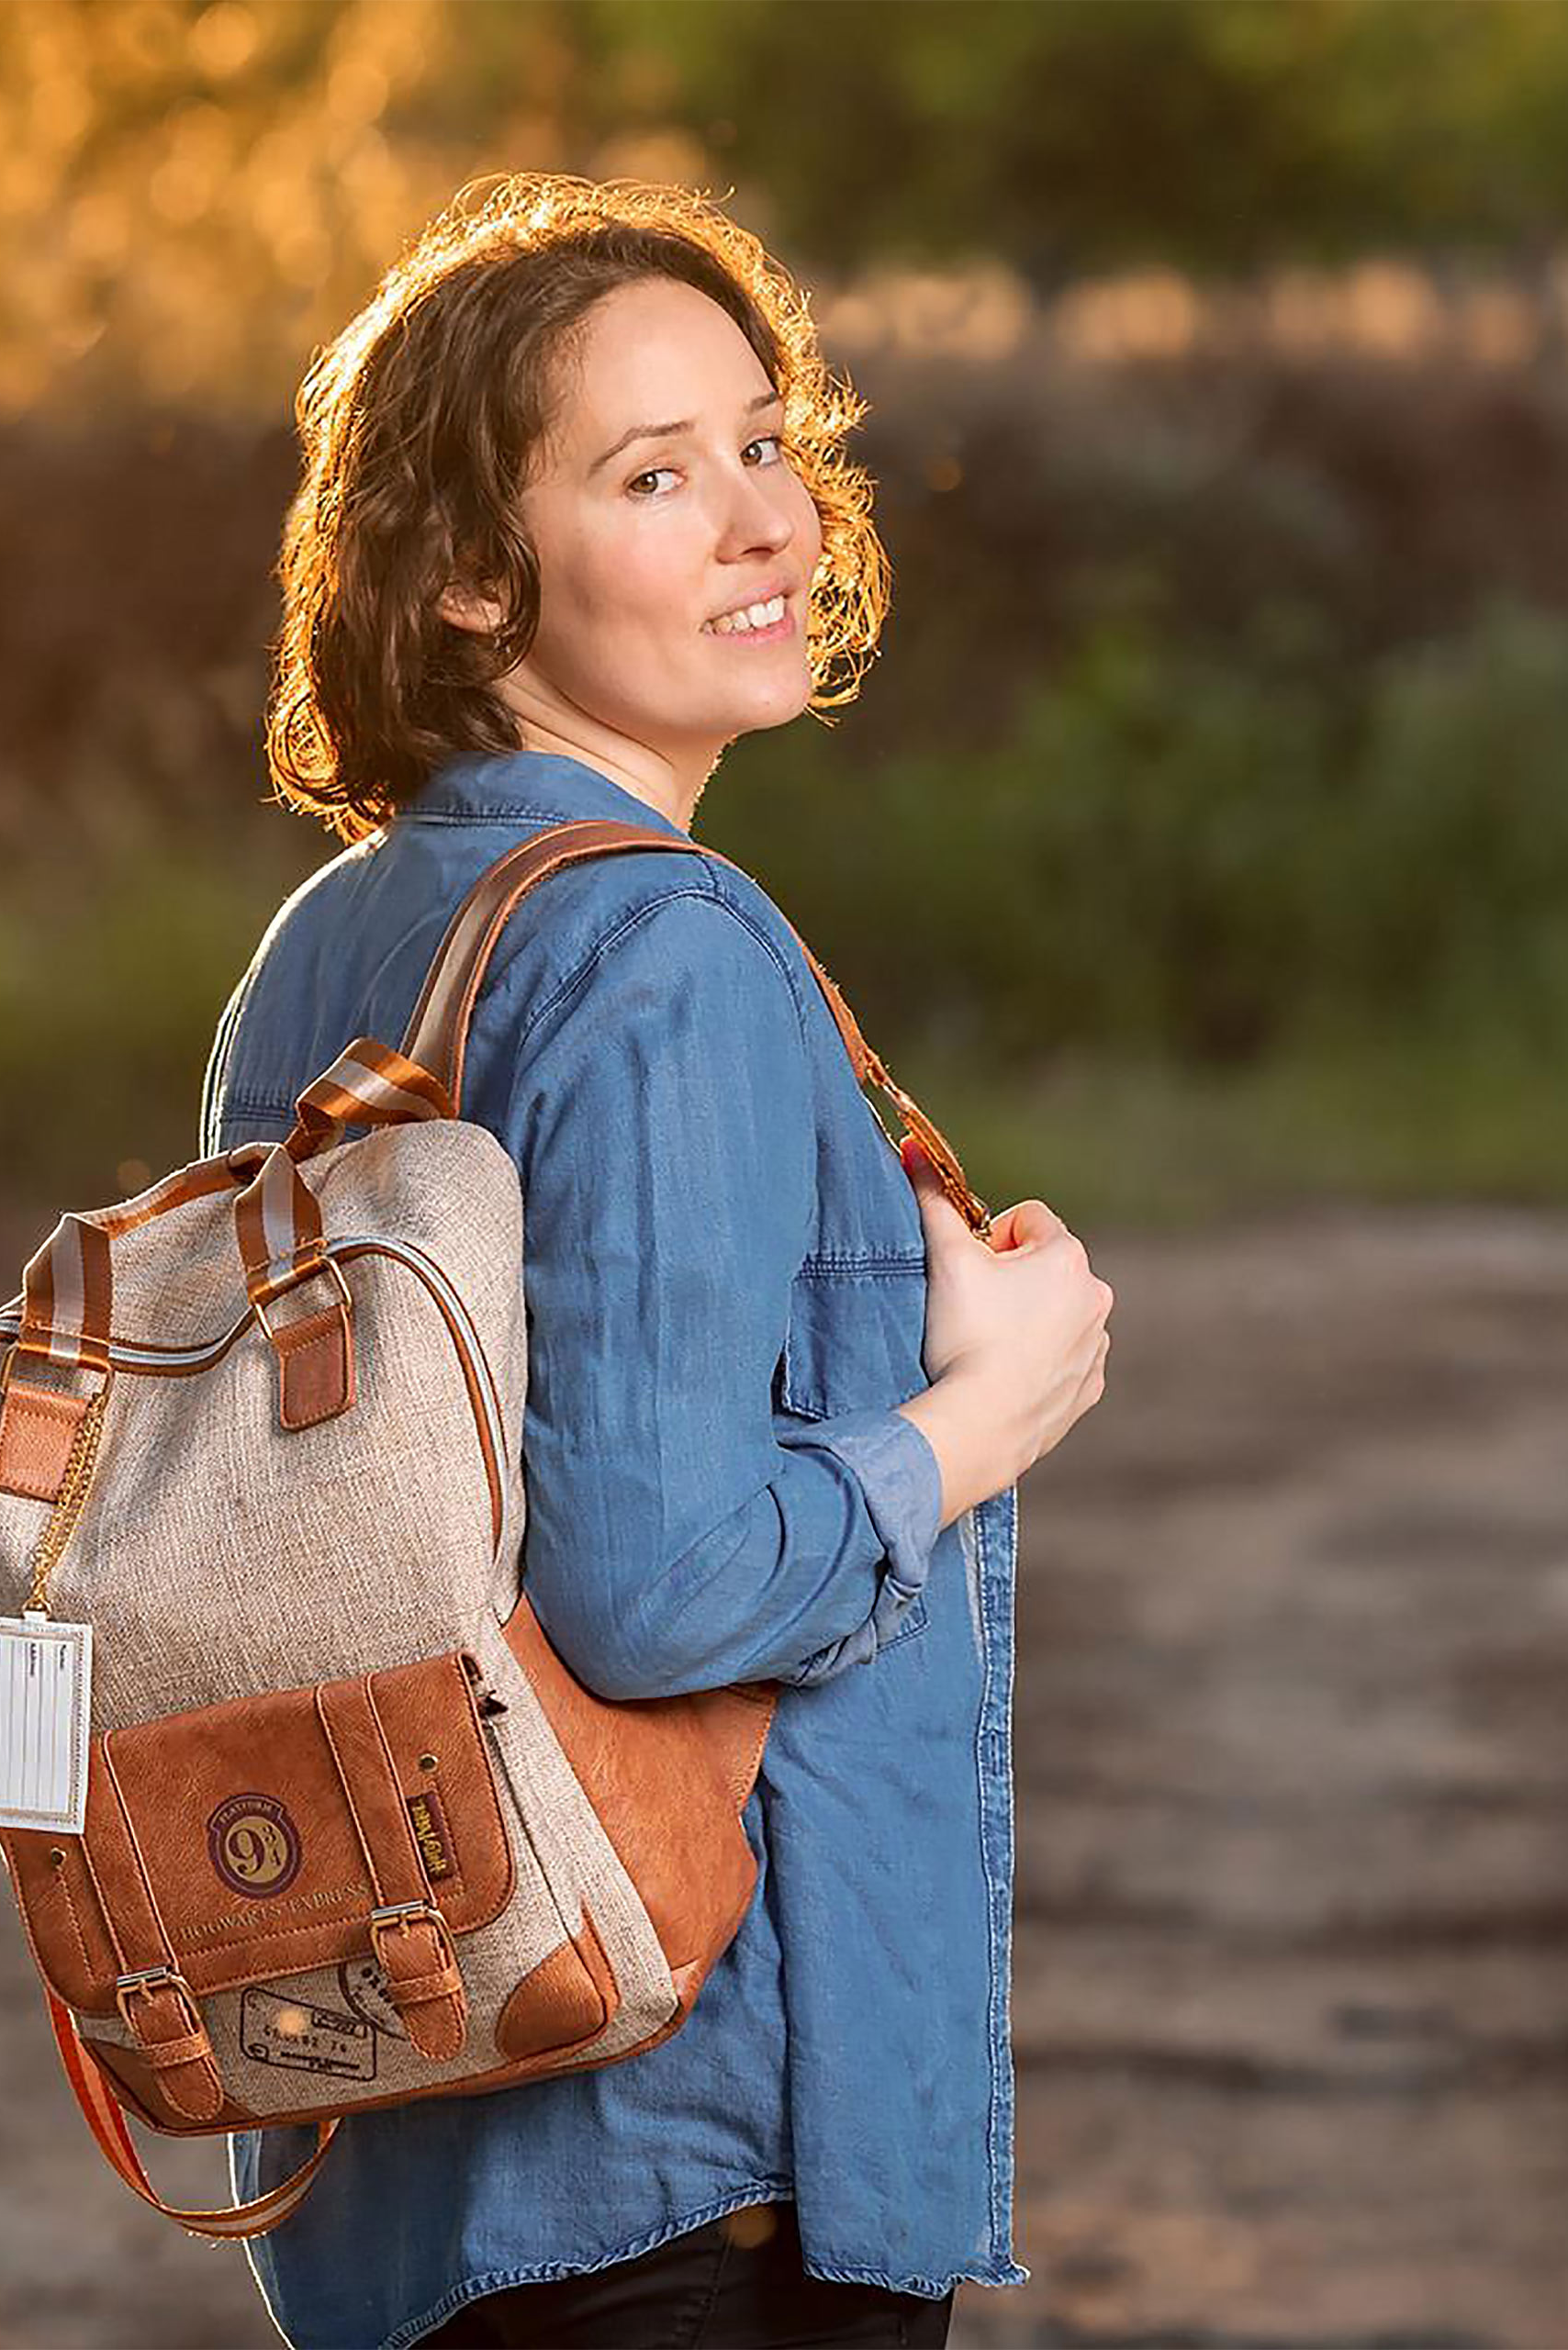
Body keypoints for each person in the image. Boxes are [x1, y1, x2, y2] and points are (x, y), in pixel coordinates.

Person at [198, 172, 1113, 2350]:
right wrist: (979, 1415)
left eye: (766, 440)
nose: (762, 520)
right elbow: (654, 1580)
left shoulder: (331, 945)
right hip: (675, 2167)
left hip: (407, 2122)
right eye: (651, 472)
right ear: (462, 579)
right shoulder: (658, 943)